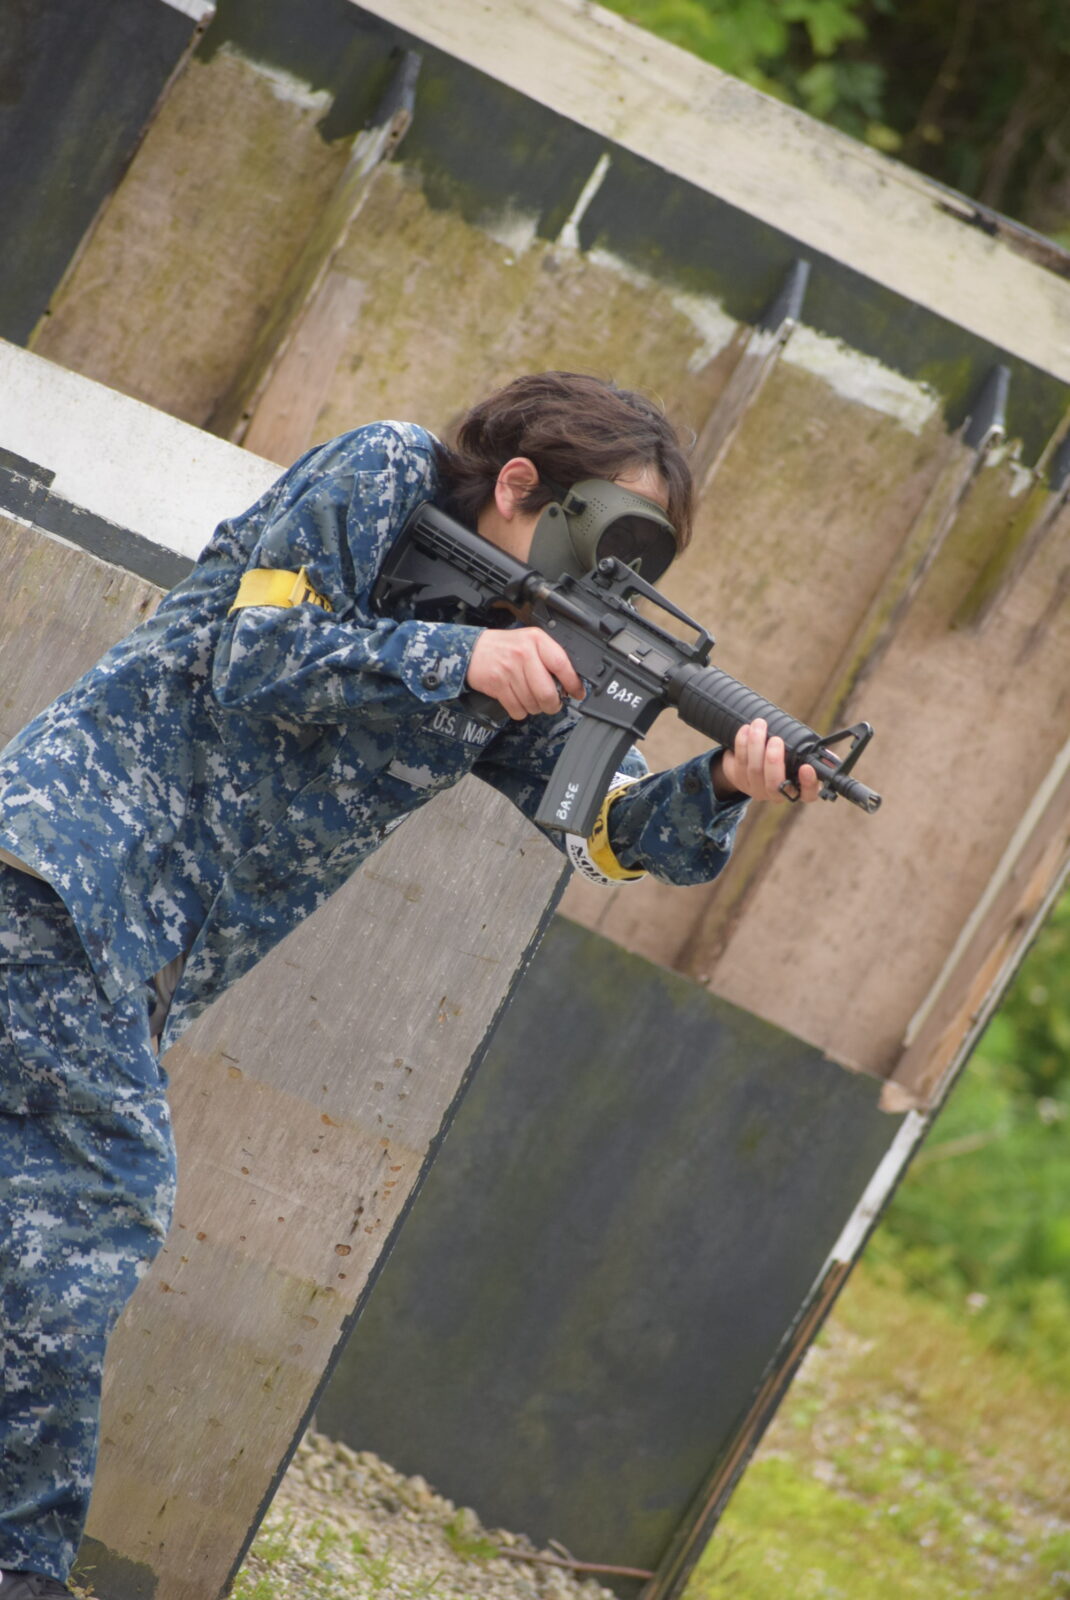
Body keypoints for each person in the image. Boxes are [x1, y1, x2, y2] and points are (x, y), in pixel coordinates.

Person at [0, 371, 818, 1598]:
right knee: (96, 1207)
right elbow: (257, 653)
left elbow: (596, 828)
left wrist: (721, 784)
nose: (611, 577)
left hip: (144, 958)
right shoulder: (382, 472)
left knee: (31, 1230)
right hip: (63, 871)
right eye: (605, 536)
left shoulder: (524, 640)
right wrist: (461, 658)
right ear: (519, 484)